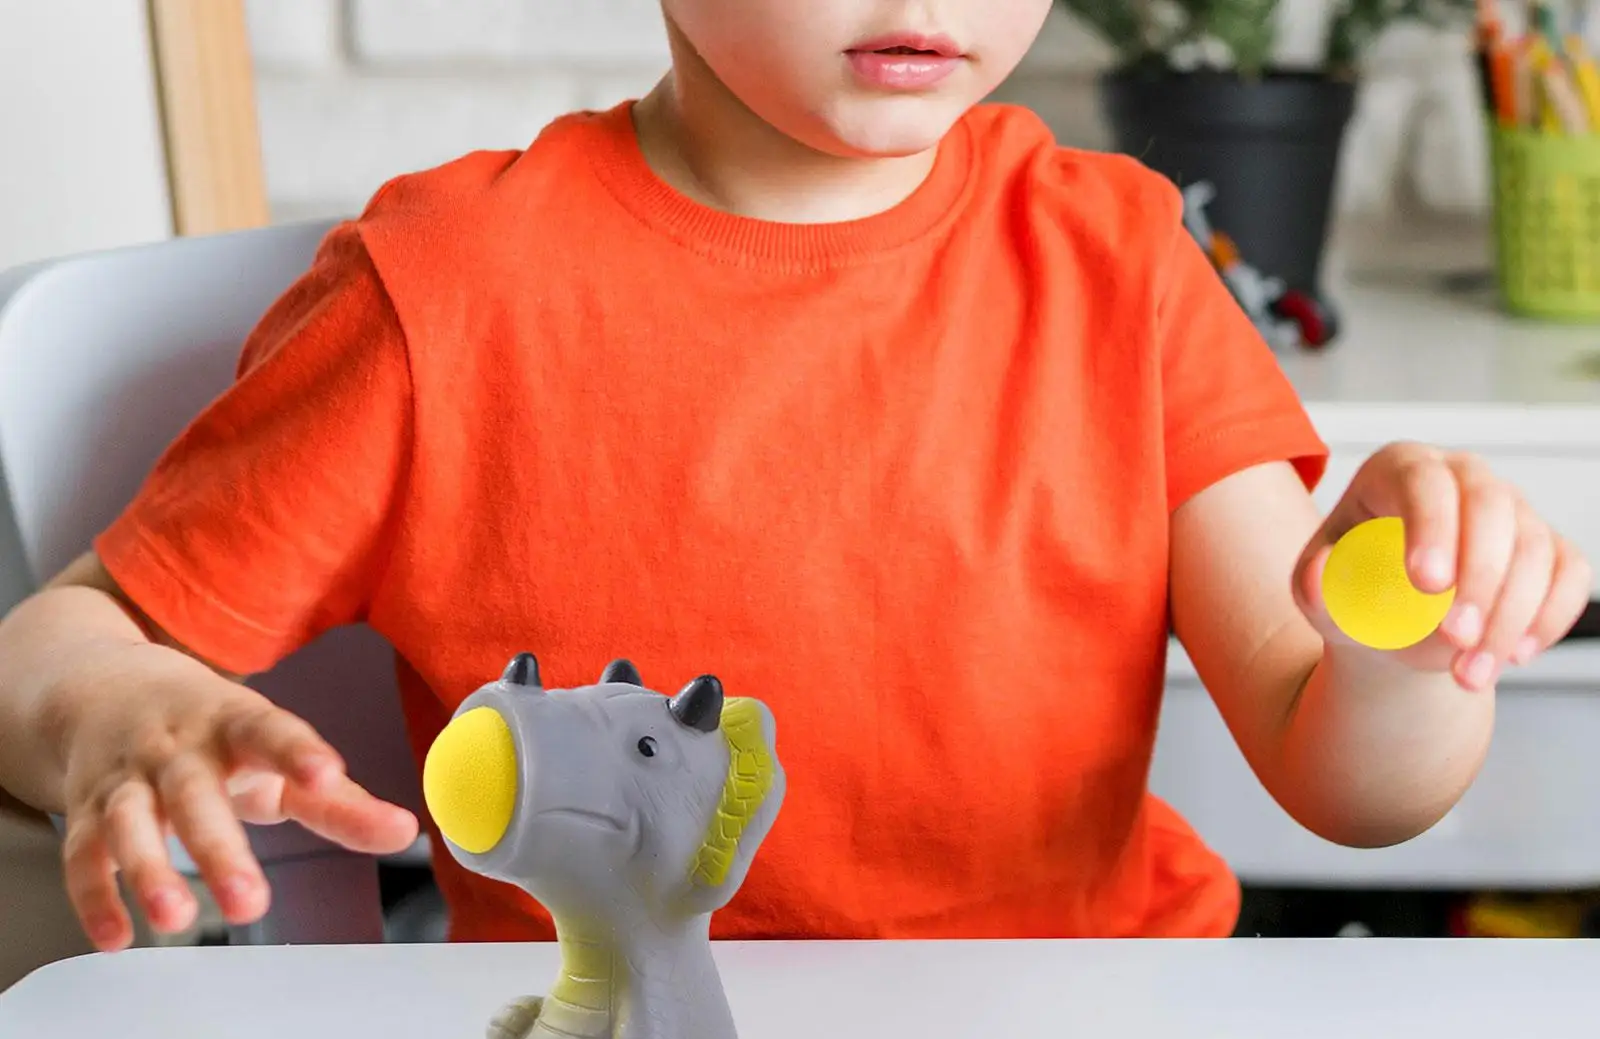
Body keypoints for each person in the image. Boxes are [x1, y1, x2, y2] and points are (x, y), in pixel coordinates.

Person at [0, 1, 1588, 951]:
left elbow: (1351, 781)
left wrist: (1411, 650)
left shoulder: (1122, 265)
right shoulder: (446, 294)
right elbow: (58, 645)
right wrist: (109, 716)